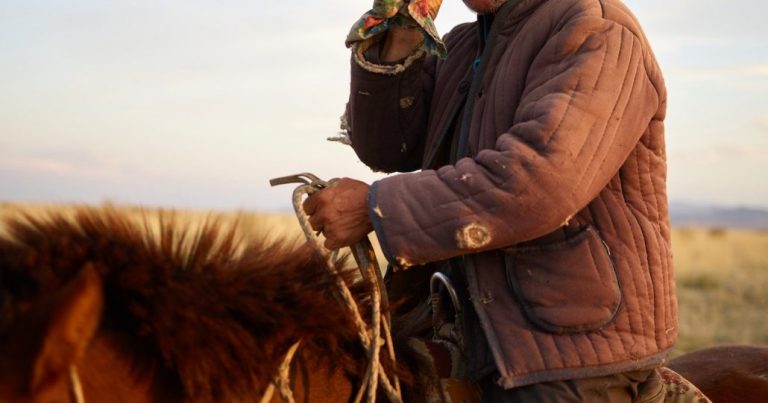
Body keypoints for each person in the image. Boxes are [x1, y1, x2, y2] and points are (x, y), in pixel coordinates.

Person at [303, 0, 693, 401]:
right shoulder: (462, 46)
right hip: (460, 321)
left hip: (565, 344)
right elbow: (385, 147)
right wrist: (403, 30)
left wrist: (375, 208)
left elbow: (542, 182)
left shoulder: (597, 28)